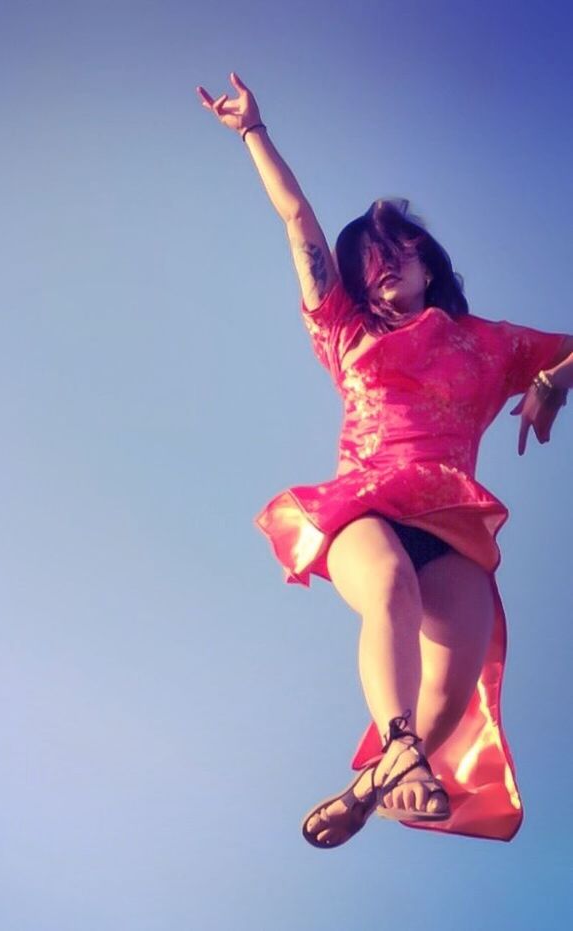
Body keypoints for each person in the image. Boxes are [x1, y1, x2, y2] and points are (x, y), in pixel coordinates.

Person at [197, 73, 573, 848]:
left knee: (454, 692)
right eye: (364, 257)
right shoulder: (342, 329)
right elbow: (296, 217)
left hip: (452, 517)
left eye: (393, 249)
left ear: (426, 261)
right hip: (366, 504)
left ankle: (377, 779)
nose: (378, 264)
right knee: (391, 589)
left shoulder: (489, 341)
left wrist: (549, 380)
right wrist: (251, 133)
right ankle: (396, 747)